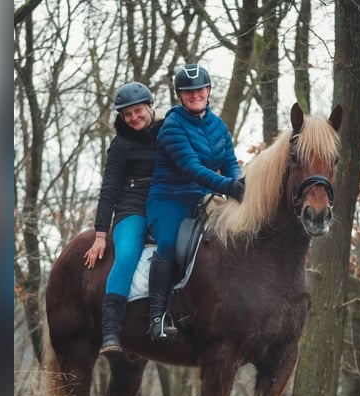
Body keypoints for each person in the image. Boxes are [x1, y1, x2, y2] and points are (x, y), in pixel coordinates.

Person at [146, 63, 245, 340]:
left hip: (202, 197)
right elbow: (192, 168)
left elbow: (229, 162)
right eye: (188, 92)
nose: (195, 95)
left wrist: (237, 183)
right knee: (168, 241)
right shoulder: (172, 127)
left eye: (199, 89)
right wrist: (229, 186)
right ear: (180, 94)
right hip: (168, 198)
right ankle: (157, 315)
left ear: (209, 90)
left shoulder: (218, 125)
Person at [84, 81, 163, 354]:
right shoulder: (121, 145)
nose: (133, 118)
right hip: (132, 207)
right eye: (127, 114)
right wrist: (100, 234)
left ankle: (162, 316)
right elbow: (109, 189)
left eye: (138, 111)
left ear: (149, 106)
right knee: (128, 253)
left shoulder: (168, 132)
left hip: (164, 203)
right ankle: (111, 330)